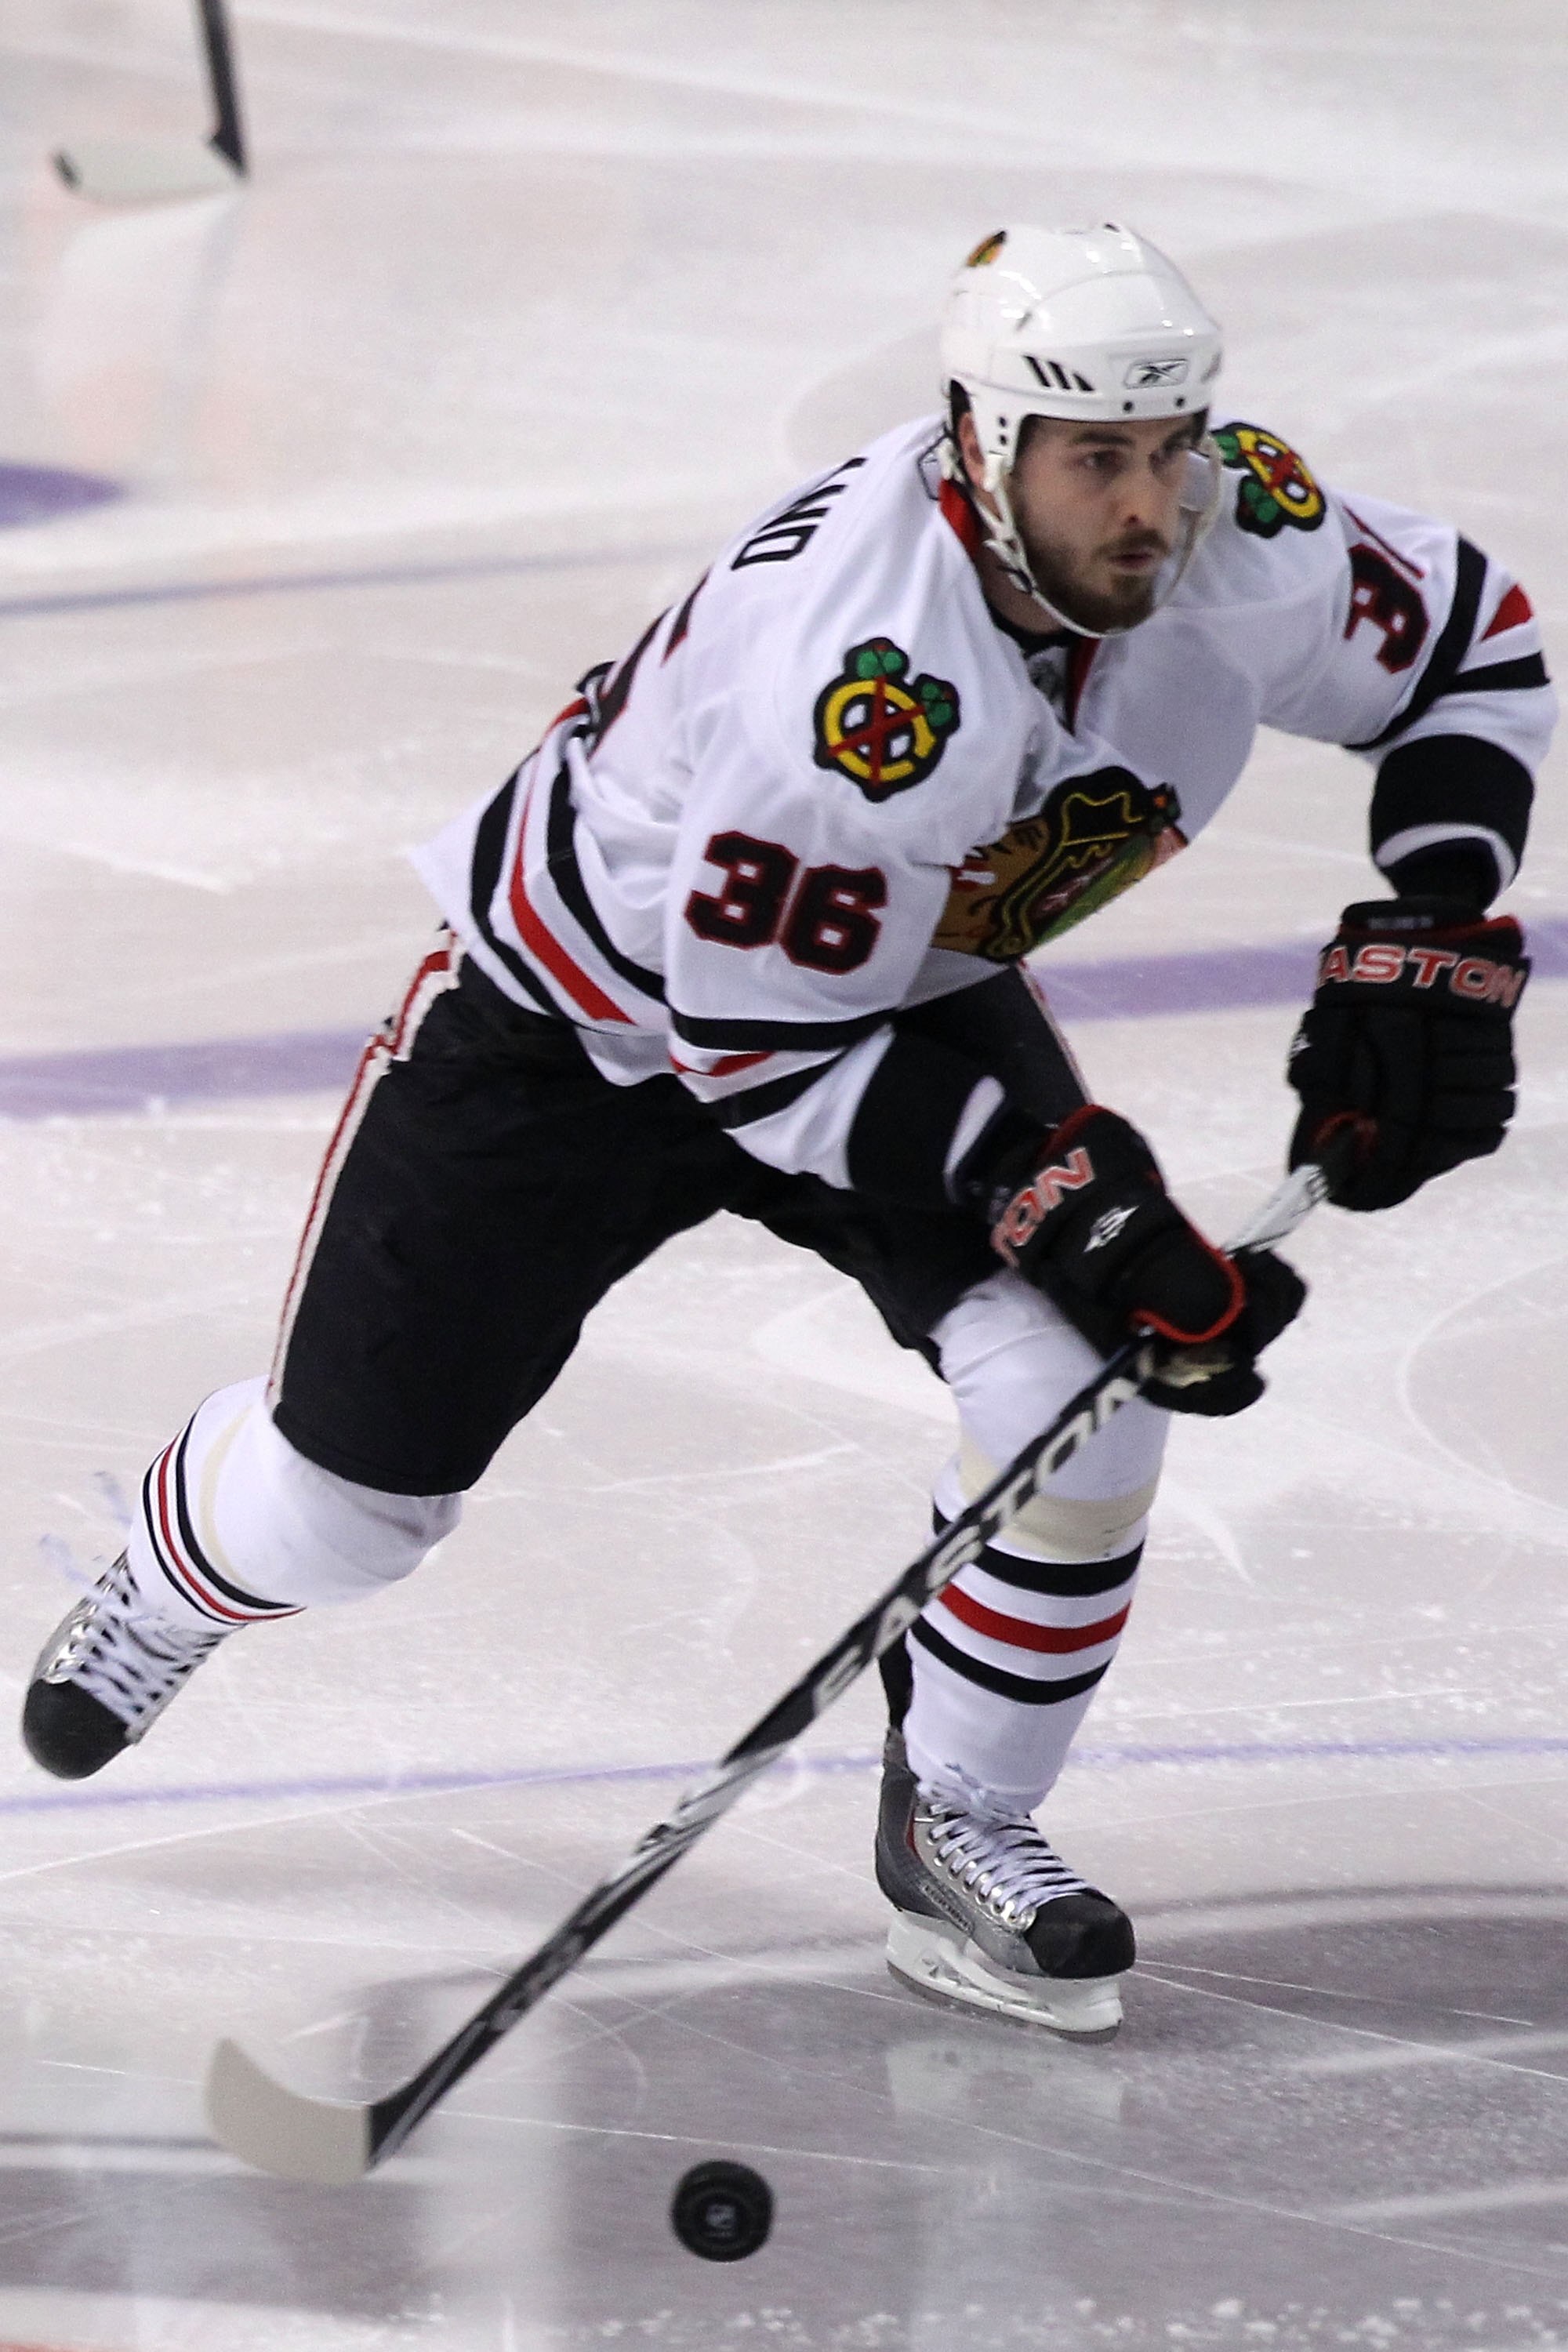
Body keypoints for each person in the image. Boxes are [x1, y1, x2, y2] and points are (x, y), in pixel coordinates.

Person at [24, 223, 1552, 2040]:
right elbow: (751, 1049)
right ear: (983, 450)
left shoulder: (1238, 533)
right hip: (574, 1035)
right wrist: (1061, 1194)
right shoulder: (857, 679)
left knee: (1070, 1398)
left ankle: (964, 1819)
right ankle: (179, 1572)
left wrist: (1431, 924)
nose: (1148, 505)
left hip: (890, 989)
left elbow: (1475, 648)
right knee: (341, 1514)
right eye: (1095, 459)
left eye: (1168, 445)